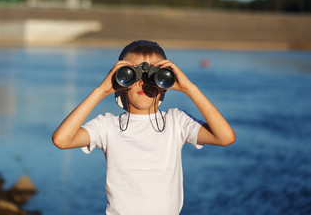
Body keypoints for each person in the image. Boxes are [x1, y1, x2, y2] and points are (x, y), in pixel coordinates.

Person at [52, 40, 235, 215]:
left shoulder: (176, 121)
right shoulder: (107, 125)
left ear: (164, 83)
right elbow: (62, 140)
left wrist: (189, 88)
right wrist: (102, 90)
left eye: (153, 75)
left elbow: (225, 137)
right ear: (121, 82)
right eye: (134, 74)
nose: (144, 82)